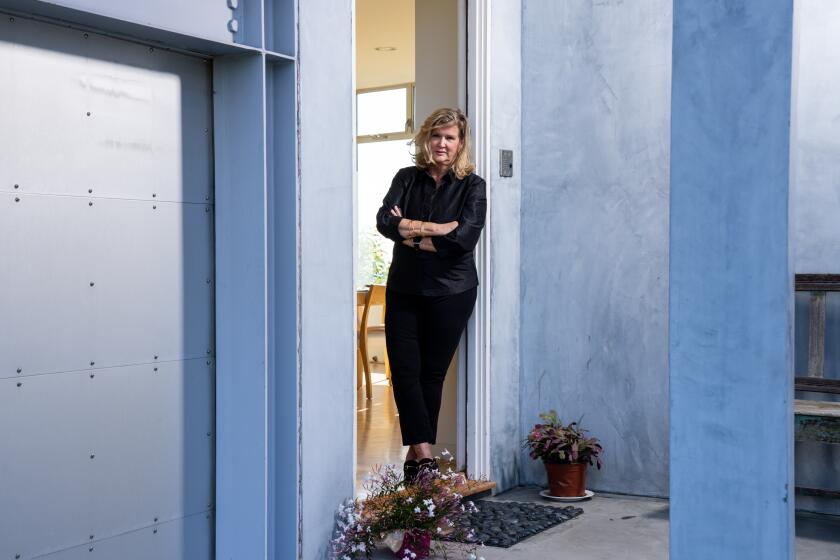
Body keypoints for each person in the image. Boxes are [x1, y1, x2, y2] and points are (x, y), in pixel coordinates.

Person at [375, 108, 487, 482]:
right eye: (436, 135)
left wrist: (411, 234)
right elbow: (384, 221)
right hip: (404, 287)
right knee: (405, 372)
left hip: (452, 292)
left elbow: (464, 239)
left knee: (431, 376)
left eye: (450, 137)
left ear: (460, 144)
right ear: (426, 138)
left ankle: (414, 461)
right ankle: (425, 458)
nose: (442, 143)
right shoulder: (406, 178)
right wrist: (438, 228)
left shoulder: (474, 186)